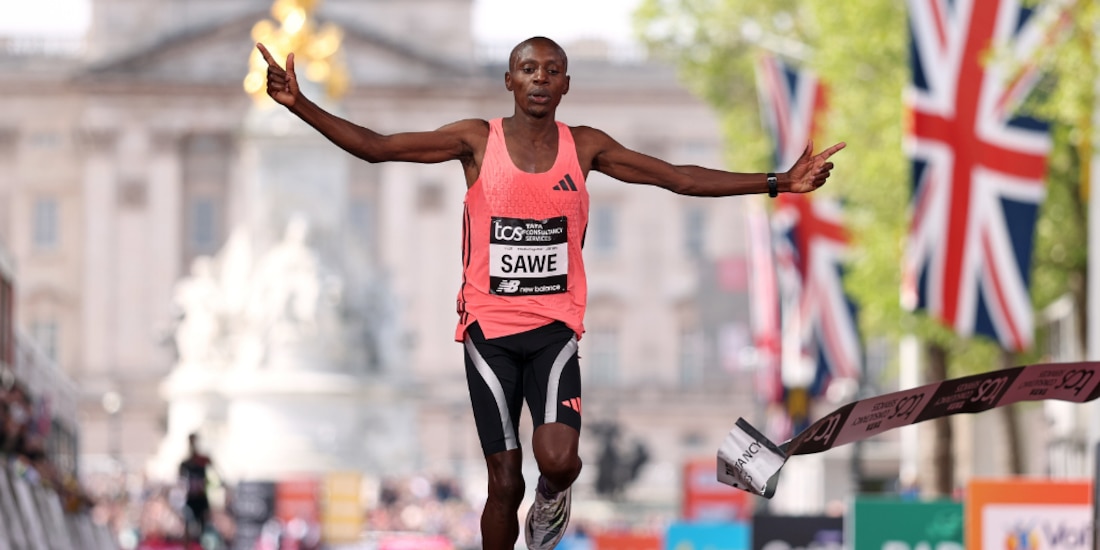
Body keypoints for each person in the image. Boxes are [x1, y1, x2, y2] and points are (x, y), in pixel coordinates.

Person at [256, 36, 844, 550]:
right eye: (529, 69)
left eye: (552, 70)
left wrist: (778, 182)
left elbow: (677, 177)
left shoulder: (583, 146)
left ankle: (553, 500)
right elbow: (377, 146)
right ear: (509, 80)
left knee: (559, 462)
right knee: (502, 480)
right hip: (488, 330)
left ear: (566, 83)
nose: (540, 78)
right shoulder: (475, 140)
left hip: (555, 329)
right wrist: (300, 104)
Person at [178, 433, 219, 544]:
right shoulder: (185, 463)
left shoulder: (203, 460)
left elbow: (216, 473)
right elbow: (180, 481)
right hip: (190, 500)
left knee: (204, 527)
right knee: (187, 525)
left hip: (201, 499)